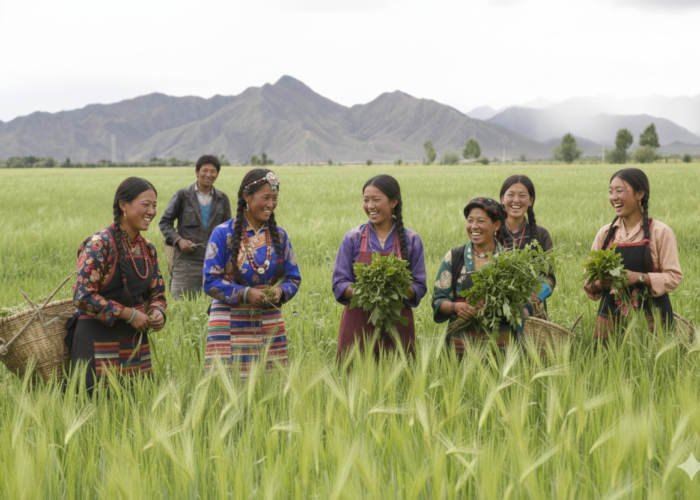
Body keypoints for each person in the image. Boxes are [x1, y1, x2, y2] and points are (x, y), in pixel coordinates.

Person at [202, 168, 301, 379]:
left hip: (269, 320)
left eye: (275, 198)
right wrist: (246, 294)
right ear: (246, 196)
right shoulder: (223, 233)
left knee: (270, 385)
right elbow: (209, 281)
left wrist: (279, 294)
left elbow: (293, 278)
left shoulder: (280, 236)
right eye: (265, 197)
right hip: (228, 321)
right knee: (228, 385)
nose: (270, 204)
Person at [71, 177, 167, 391]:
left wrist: (158, 311)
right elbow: (82, 295)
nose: (151, 211)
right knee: (97, 410)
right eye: (145, 205)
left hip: (134, 345)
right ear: (123, 205)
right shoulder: (99, 244)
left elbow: (157, 292)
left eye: (154, 206)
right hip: (96, 342)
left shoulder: (148, 249)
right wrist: (129, 314)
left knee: (134, 409)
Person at [333, 175, 427, 362]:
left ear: (393, 202)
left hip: (397, 323)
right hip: (358, 323)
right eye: (366, 200)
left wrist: (396, 287)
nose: (370, 206)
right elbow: (339, 284)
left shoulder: (411, 240)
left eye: (376, 199)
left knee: (398, 383)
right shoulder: (353, 238)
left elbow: (419, 287)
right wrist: (367, 290)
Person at [584, 168, 682, 340]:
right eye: (610, 191)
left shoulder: (660, 232)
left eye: (619, 191)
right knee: (608, 365)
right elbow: (588, 281)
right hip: (610, 325)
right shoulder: (605, 234)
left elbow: (673, 277)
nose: (614, 197)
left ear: (640, 194)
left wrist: (639, 277)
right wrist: (600, 283)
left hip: (653, 324)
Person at [432, 197, 515, 354]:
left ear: (496, 225)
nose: (474, 226)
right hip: (459, 346)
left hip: (500, 347)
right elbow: (438, 299)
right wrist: (455, 307)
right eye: (470, 220)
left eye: (481, 221)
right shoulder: (454, 256)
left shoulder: (509, 260)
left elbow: (521, 304)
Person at [159, 155, 231, 299]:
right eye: (205, 170)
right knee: (181, 303)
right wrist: (179, 240)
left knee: (212, 305)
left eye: (213, 171)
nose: (208, 175)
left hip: (214, 262)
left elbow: (228, 231)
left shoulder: (222, 199)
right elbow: (165, 222)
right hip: (186, 262)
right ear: (197, 172)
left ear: (217, 174)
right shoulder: (183, 196)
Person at [499, 175, 556, 318]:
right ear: (502, 199)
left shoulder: (541, 234)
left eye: (522, 196)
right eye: (511, 195)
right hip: (497, 308)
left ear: (531, 201)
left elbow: (549, 277)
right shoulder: (492, 232)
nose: (516, 200)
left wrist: (536, 295)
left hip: (531, 311)